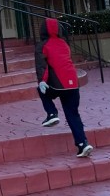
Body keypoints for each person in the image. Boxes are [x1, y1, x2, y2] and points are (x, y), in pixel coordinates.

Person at [35, 17, 93, 157]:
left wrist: (41, 81)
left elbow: (41, 66)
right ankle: (83, 144)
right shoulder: (64, 44)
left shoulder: (43, 45)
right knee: (73, 114)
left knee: (41, 90)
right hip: (73, 83)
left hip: (57, 83)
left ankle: (52, 114)